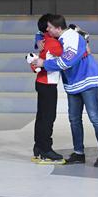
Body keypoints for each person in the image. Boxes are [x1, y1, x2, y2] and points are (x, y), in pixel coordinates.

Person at [34, 14, 98, 167]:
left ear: (58, 28)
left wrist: (44, 63)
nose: (47, 31)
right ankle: (79, 153)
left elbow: (66, 61)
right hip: (73, 82)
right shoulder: (60, 34)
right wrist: (37, 41)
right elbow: (40, 33)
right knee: (74, 119)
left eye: (49, 27)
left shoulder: (71, 38)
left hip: (87, 79)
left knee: (94, 117)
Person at [30, 14, 65, 164]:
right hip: (48, 84)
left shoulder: (45, 40)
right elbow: (65, 60)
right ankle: (46, 150)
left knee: (41, 117)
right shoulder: (54, 44)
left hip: (42, 82)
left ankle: (38, 148)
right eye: (50, 26)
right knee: (48, 118)